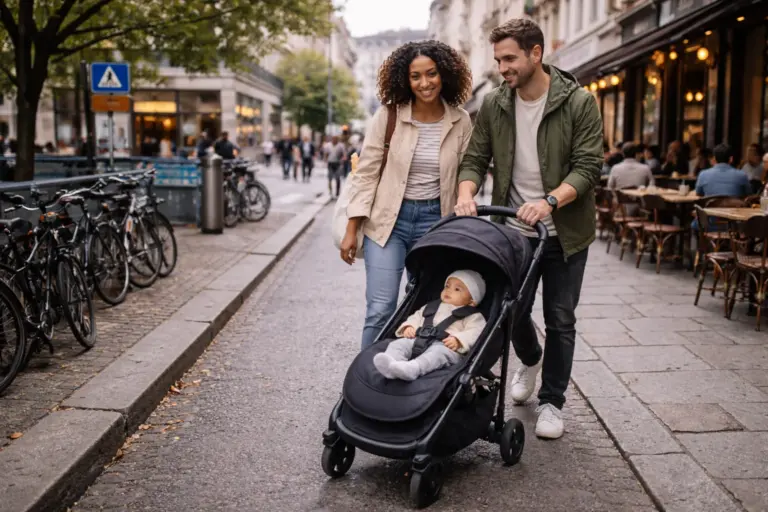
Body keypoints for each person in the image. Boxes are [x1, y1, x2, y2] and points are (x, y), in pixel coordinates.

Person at [453, 18, 602, 440]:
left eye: (509, 58)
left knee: (561, 318)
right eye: (498, 58)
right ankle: (530, 359)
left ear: (536, 54)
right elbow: (476, 157)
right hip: (514, 232)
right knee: (510, 310)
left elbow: (589, 166)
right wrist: (467, 192)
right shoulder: (497, 104)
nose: (502, 67)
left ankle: (552, 402)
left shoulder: (578, 102)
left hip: (566, 233)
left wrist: (549, 200)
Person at [340, 40, 473, 350]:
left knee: (426, 308)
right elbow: (367, 174)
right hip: (388, 223)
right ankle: (367, 384)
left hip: (436, 224)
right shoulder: (388, 117)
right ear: (405, 78)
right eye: (416, 76)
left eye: (431, 74)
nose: (424, 83)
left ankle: (410, 383)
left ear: (444, 75)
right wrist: (351, 229)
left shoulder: (461, 121)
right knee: (380, 309)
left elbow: (469, 171)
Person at [373, 270, 486, 381]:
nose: (449, 291)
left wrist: (459, 340)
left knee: (436, 355)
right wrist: (409, 326)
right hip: (419, 340)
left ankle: (413, 369)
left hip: (447, 348)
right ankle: (392, 364)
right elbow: (417, 317)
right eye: (447, 286)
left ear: (472, 301)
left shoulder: (473, 315)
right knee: (398, 344)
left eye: (457, 289)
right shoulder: (432, 307)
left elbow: (476, 332)